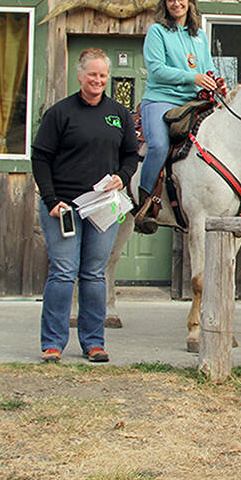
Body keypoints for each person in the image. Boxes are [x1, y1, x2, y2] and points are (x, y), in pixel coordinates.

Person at [32, 48, 140, 363]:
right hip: (62, 207)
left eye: (102, 75)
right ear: (80, 76)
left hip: (102, 207)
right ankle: (53, 344)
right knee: (64, 272)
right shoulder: (60, 113)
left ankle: (94, 342)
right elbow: (40, 157)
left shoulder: (118, 114)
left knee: (94, 273)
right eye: (92, 74)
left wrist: (122, 176)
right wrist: (51, 200)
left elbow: (130, 155)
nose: (97, 80)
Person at [133, 0, 228, 233]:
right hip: (161, 99)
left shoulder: (198, 36)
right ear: (165, 4)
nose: (177, 3)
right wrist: (192, 77)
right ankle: (145, 203)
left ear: (190, 2)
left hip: (193, 101)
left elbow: (206, 67)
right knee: (159, 145)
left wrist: (216, 83)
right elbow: (156, 70)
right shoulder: (157, 32)